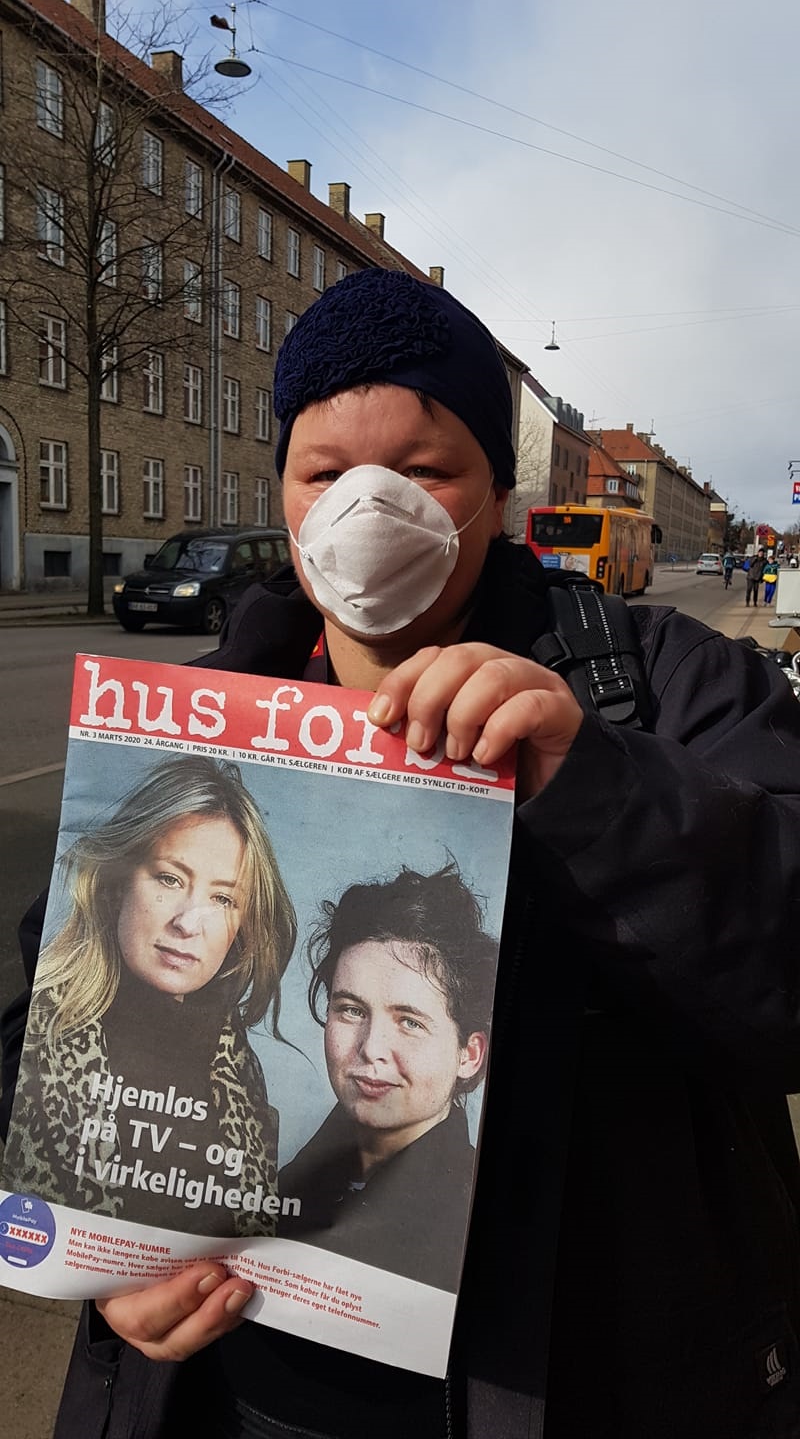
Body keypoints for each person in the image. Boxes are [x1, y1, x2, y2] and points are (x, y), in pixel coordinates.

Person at [4, 267, 800, 1439]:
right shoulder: (194, 725)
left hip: (579, 1383)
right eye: (324, 471)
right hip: (233, 1397)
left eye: (422, 469)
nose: (365, 505)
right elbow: (47, 1022)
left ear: (490, 490)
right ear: (281, 491)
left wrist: (598, 785)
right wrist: (102, 1261)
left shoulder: (660, 687)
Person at [1, 755, 296, 1238]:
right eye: (170, 879)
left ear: (242, 924)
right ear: (116, 885)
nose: (188, 922)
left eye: (222, 898)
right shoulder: (44, 1036)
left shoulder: (240, 1070)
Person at [279, 864, 494, 1291]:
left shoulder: (477, 1219)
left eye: (410, 1022)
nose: (371, 1048)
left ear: (468, 1055)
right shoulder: (283, 1184)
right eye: (351, 1010)